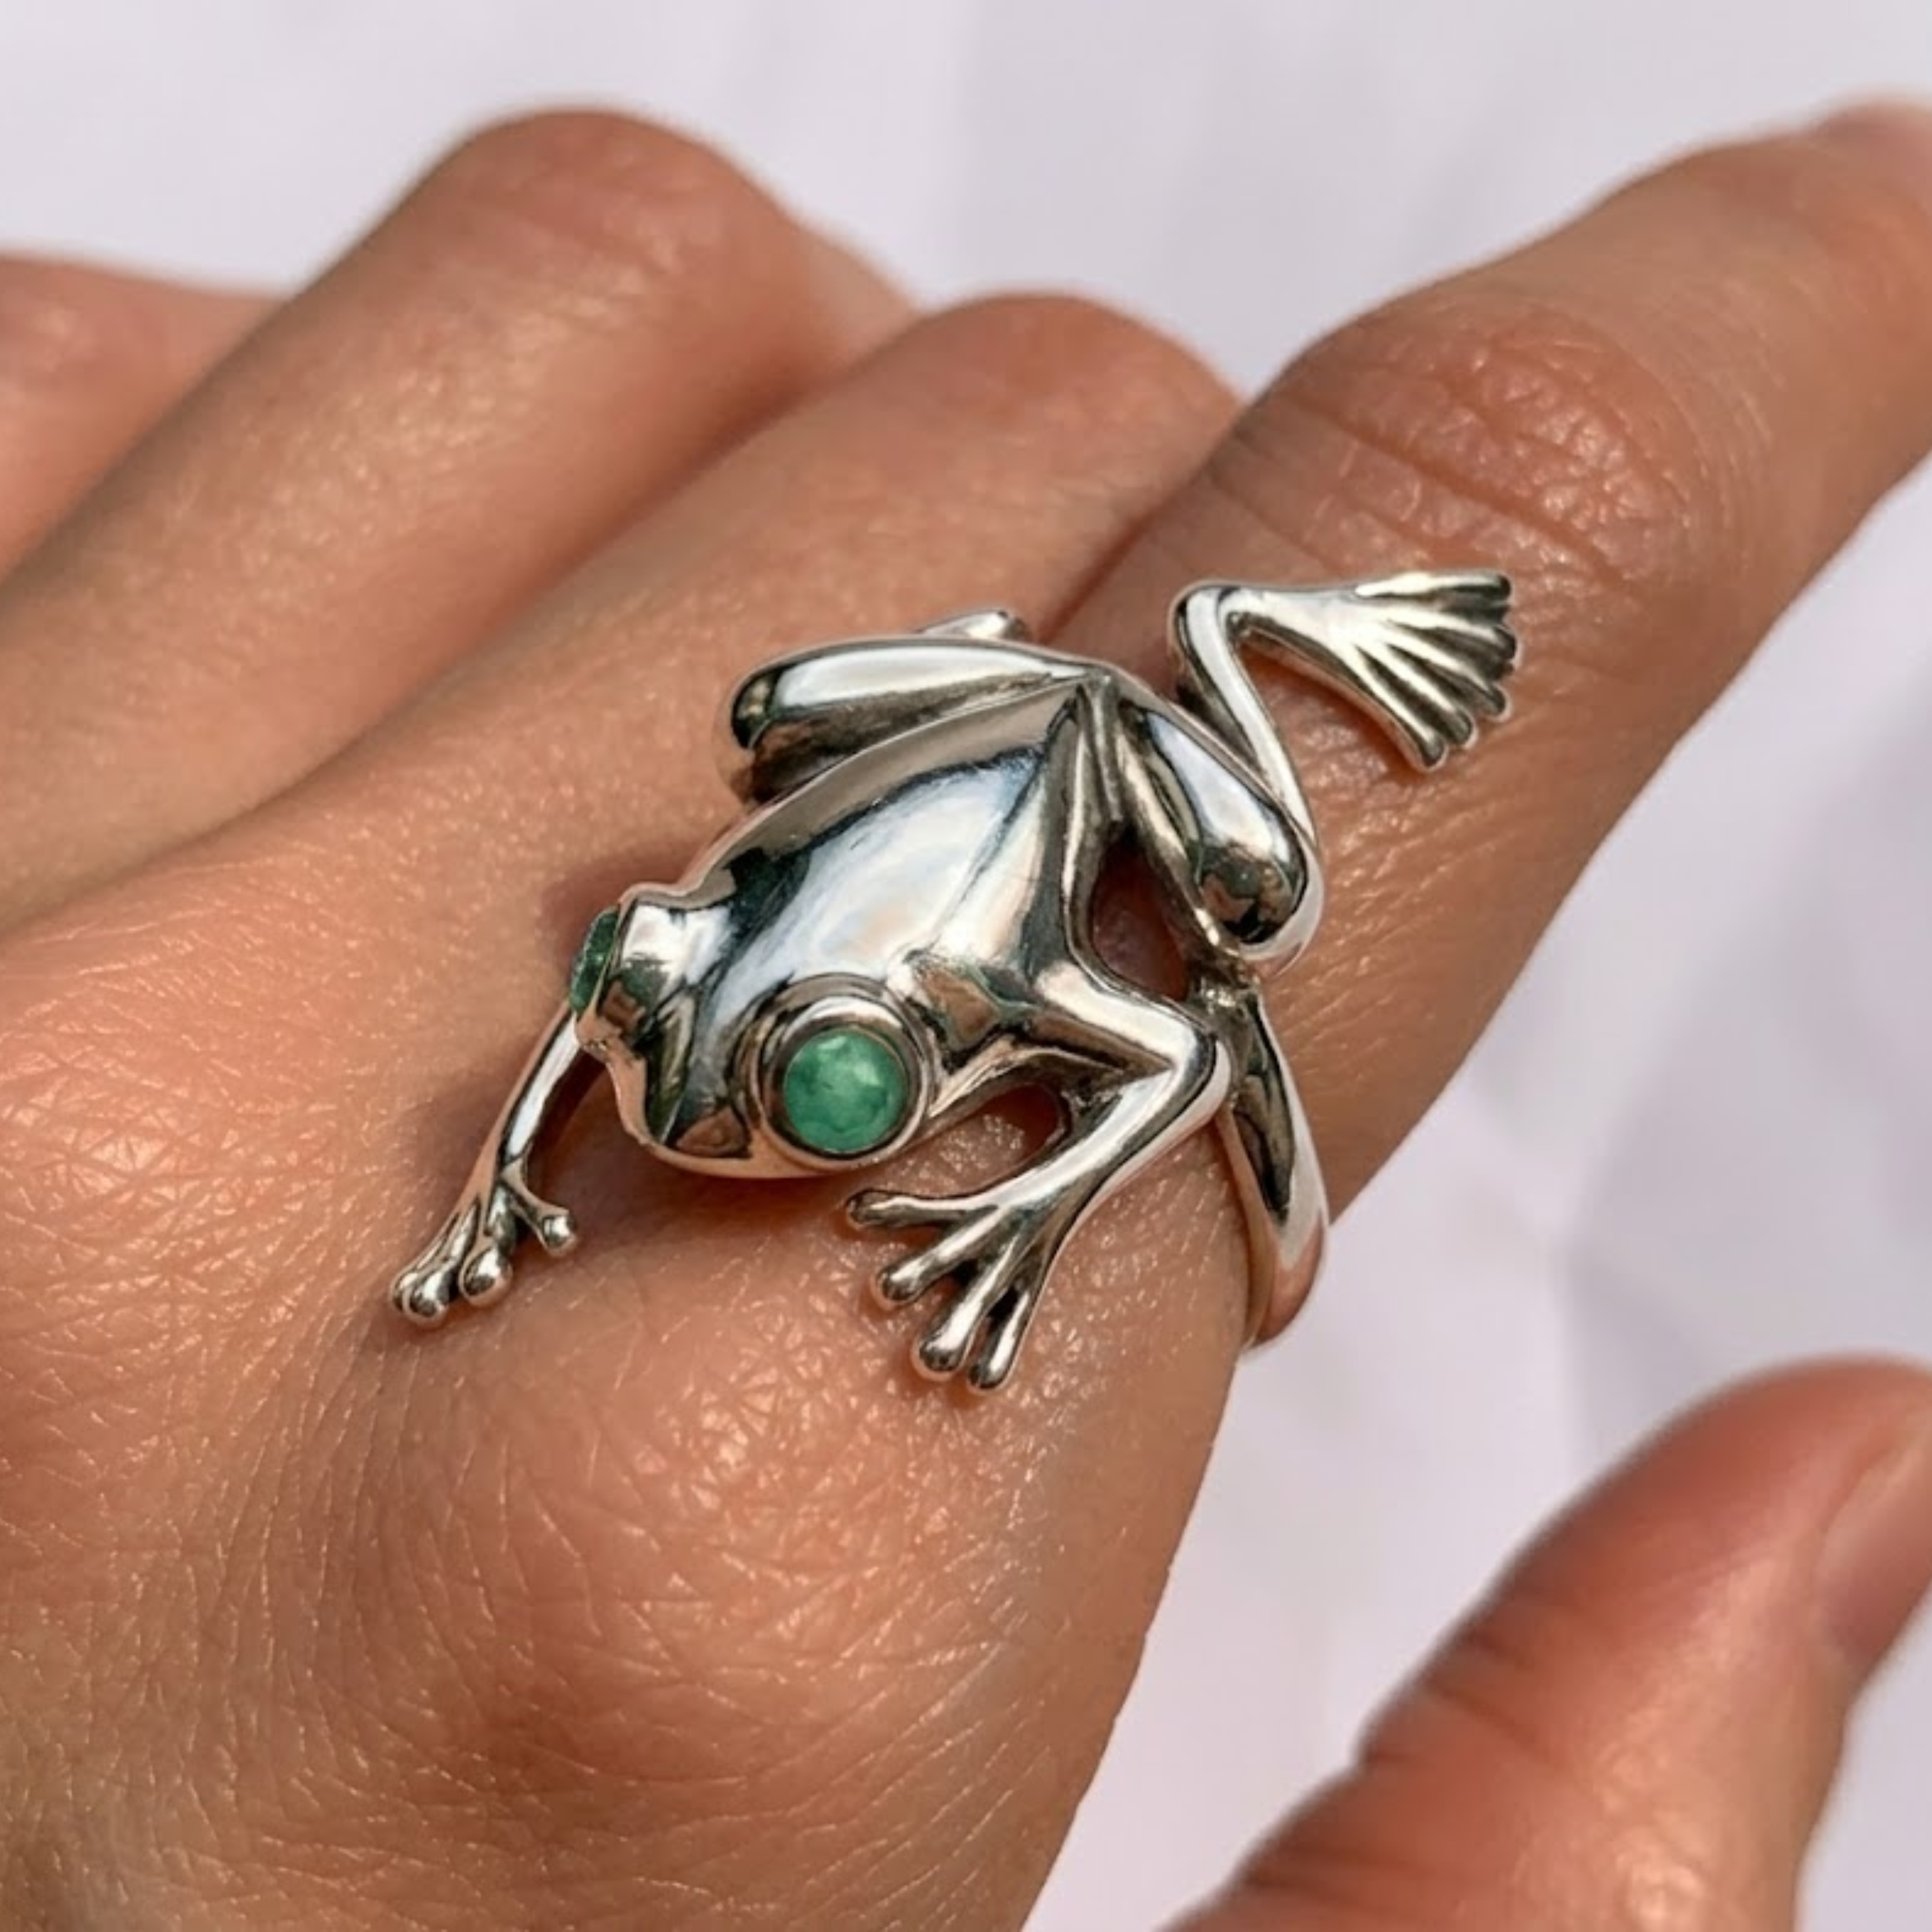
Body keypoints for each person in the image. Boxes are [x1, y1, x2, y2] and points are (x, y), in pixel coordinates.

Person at [0, 96, 1929, 1931]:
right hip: (919, 768)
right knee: (755, 739)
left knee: (1253, 903)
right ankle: (1074, 669)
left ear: (899, 1050)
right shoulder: (668, 955)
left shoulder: (1001, 989)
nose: (673, 1098)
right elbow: (604, 1008)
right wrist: (500, 1182)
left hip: (1072, 765)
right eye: (642, 980)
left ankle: (1247, 635)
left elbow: (1187, 1043)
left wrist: (1033, 1206)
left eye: (833, 1091)